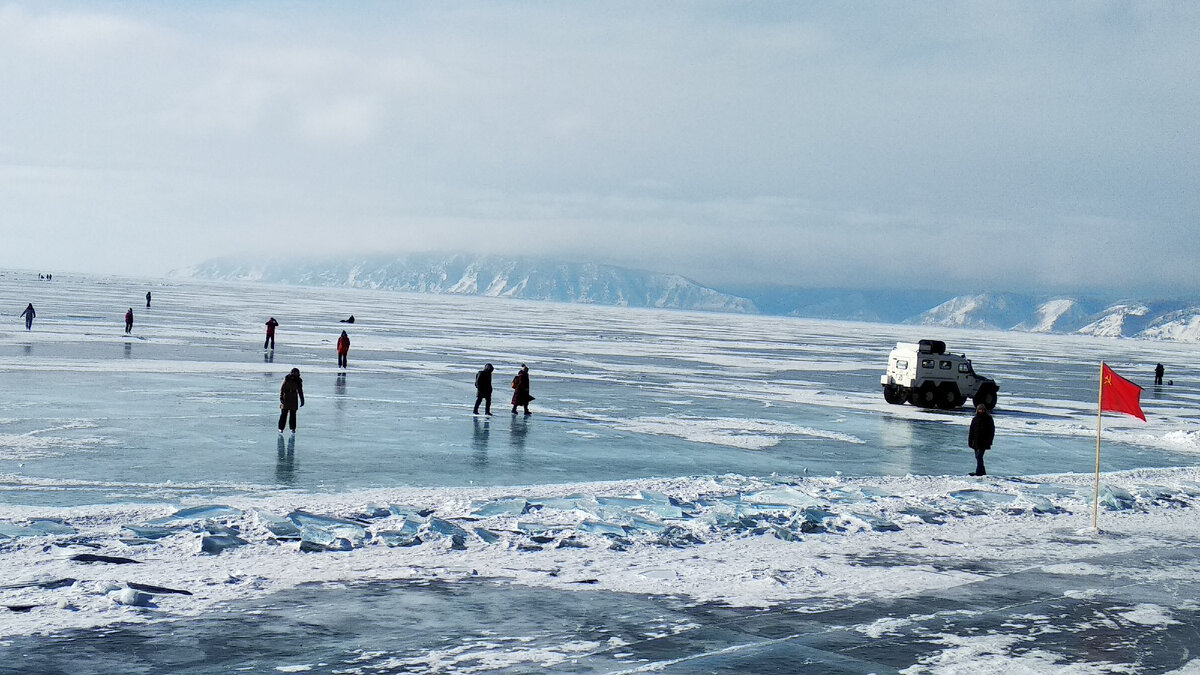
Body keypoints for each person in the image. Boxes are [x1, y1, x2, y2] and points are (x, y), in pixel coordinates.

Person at [968, 404, 995, 476]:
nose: (981, 411)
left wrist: (990, 441)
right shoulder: (975, 419)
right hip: (975, 442)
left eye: (982, 410)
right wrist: (970, 442)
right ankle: (981, 472)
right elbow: (971, 431)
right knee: (978, 457)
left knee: (979, 456)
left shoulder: (988, 419)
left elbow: (991, 431)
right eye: (980, 410)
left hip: (984, 442)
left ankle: (979, 472)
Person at [278, 368, 305, 433]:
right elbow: (282, 389)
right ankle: (281, 428)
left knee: (293, 414)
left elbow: (300, 391)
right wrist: (281, 397)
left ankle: (292, 428)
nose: (297, 374)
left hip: (294, 398)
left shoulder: (298, 381)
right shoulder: (287, 379)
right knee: (284, 414)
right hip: (286, 397)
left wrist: (302, 399)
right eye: (295, 373)